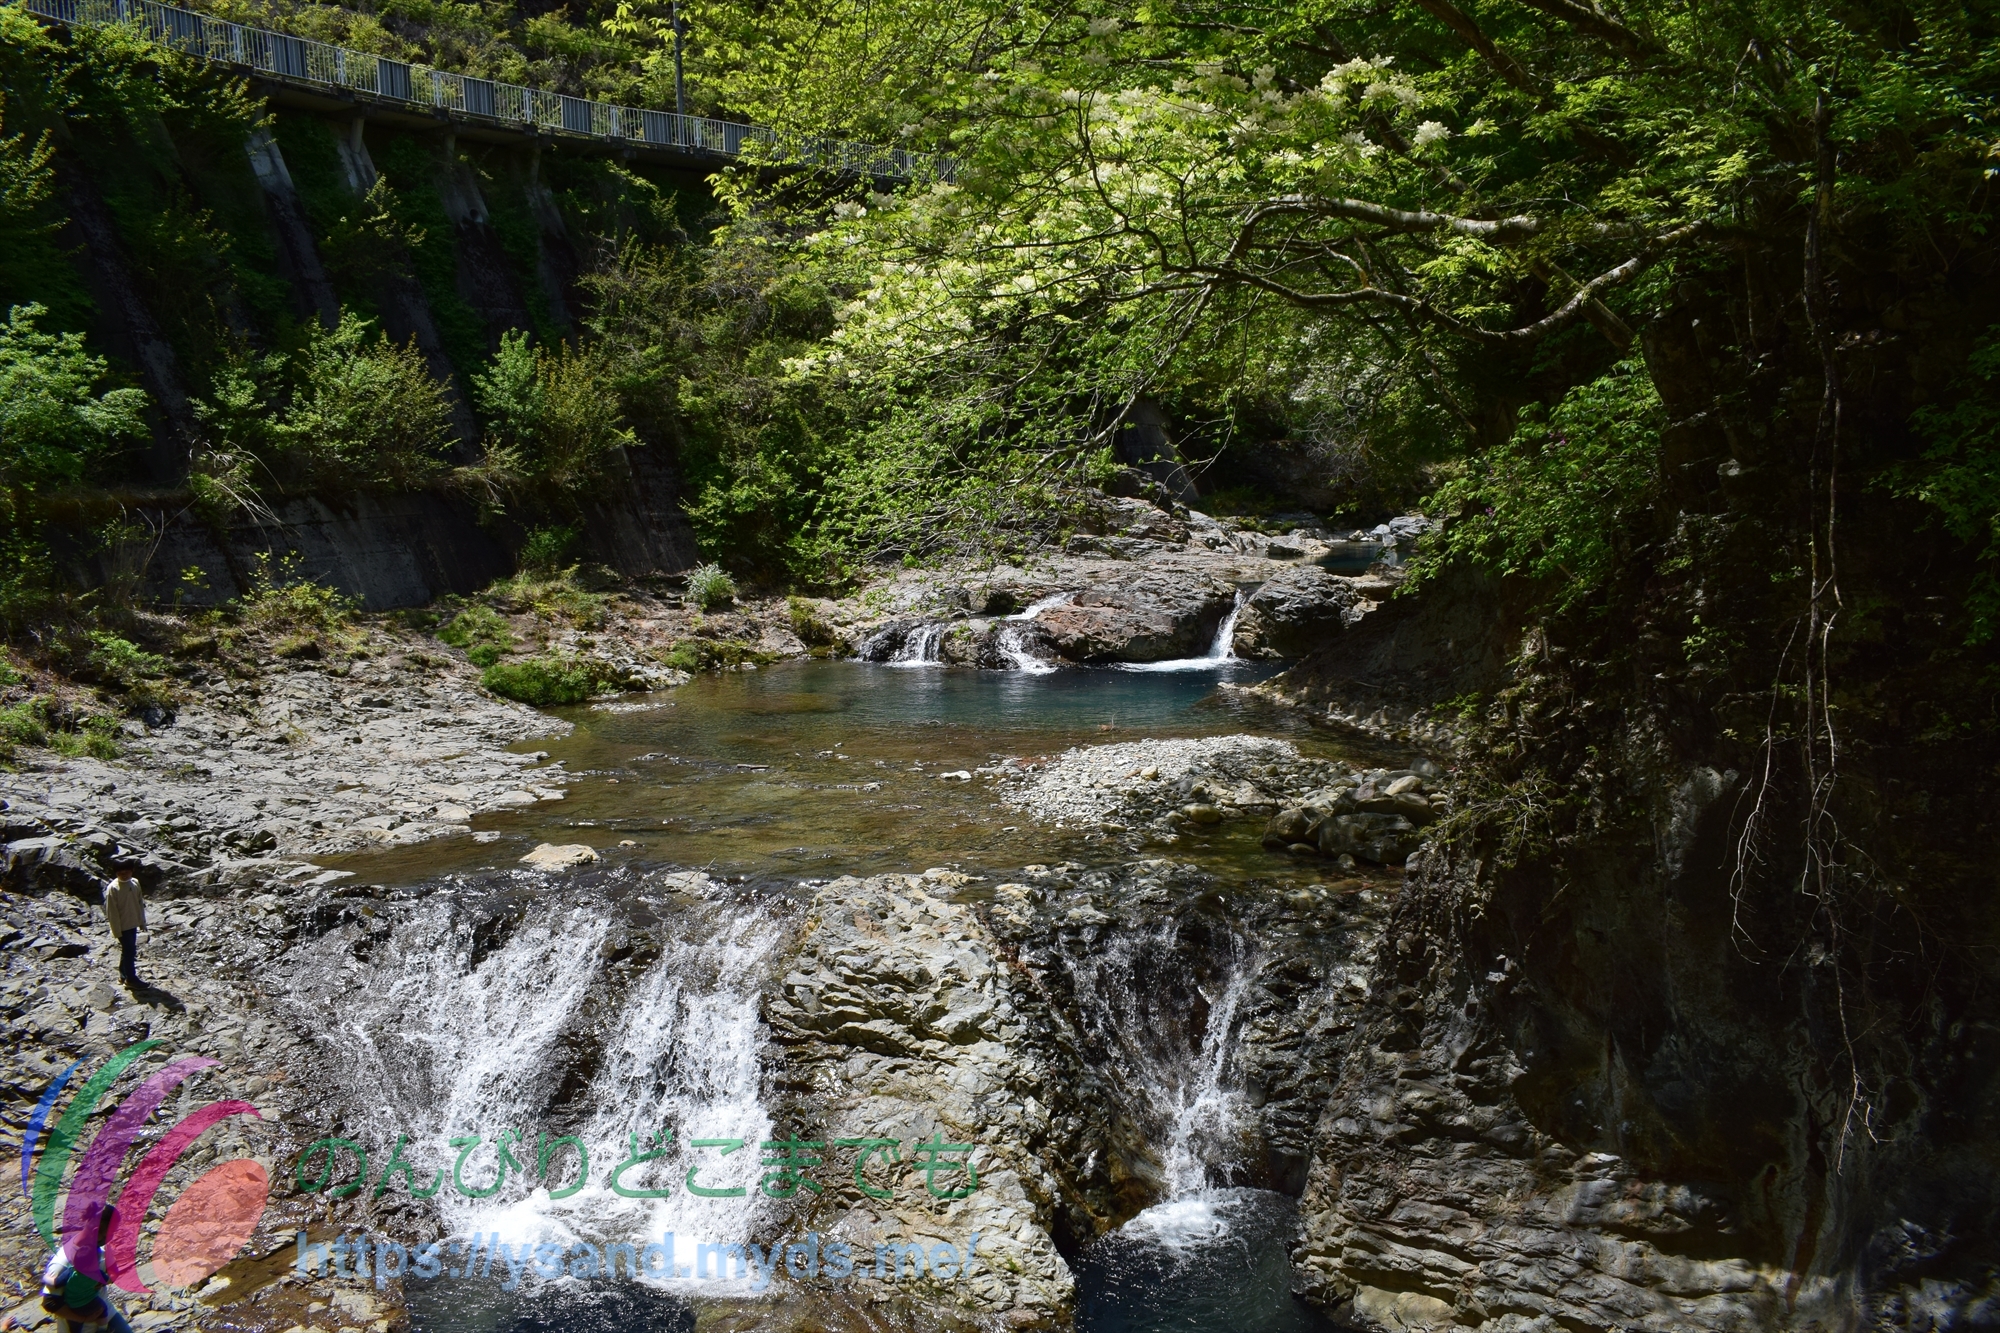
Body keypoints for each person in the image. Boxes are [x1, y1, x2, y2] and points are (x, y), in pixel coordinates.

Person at [40, 1205, 133, 1332]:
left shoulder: (102, 1249)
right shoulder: (63, 1263)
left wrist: (103, 1281)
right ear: (97, 1231)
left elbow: (112, 1274)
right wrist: (83, 1319)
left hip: (107, 1315)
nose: (111, 1238)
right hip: (80, 1327)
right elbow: (49, 1303)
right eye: (110, 1234)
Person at [101, 872, 145, 987]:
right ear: (116, 873)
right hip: (122, 926)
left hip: (133, 923)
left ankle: (123, 976)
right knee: (130, 951)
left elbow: (139, 902)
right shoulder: (113, 888)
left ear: (131, 871)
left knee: (127, 950)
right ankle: (131, 979)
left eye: (127, 872)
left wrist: (142, 922)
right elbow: (112, 912)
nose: (124, 875)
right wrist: (116, 931)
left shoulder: (134, 882)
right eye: (121, 873)